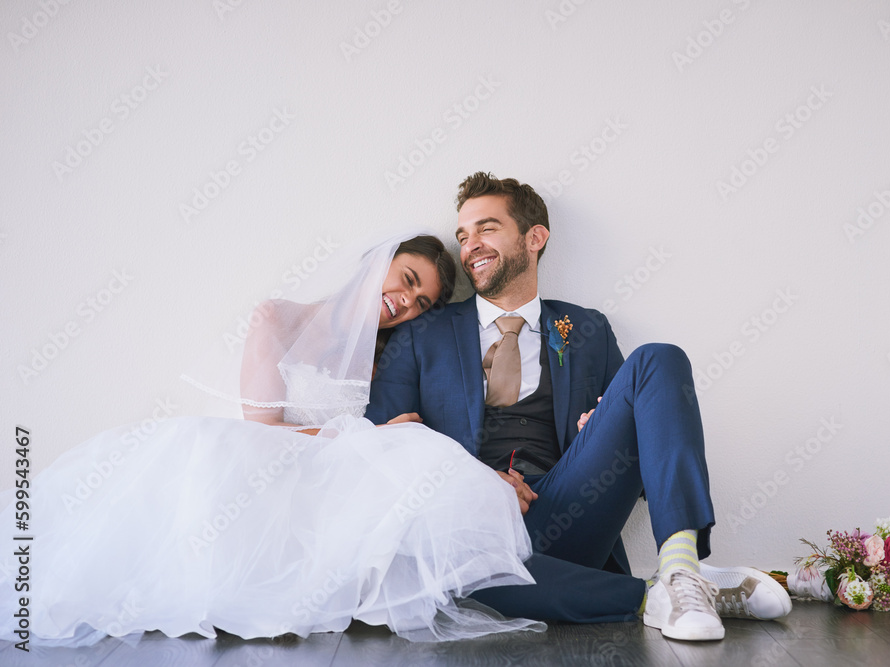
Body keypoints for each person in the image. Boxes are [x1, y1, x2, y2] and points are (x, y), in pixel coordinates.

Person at [0, 234, 544, 648]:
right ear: (375, 265)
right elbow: (260, 431)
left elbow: (408, 429)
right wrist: (365, 435)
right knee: (211, 446)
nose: (405, 301)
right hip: (274, 465)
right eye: (404, 280)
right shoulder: (281, 319)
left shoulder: (388, 357)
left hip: (335, 478)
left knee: (416, 447)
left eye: (421, 300)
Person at [366, 174, 793, 642]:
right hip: (472, 537)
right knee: (450, 582)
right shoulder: (421, 334)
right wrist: (475, 483)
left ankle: (680, 564)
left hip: (571, 512)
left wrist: (610, 428)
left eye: (487, 229)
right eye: (464, 235)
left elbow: (651, 436)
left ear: (535, 237)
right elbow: (380, 452)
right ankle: (665, 593)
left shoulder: (586, 327)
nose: (470, 246)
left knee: (659, 358)